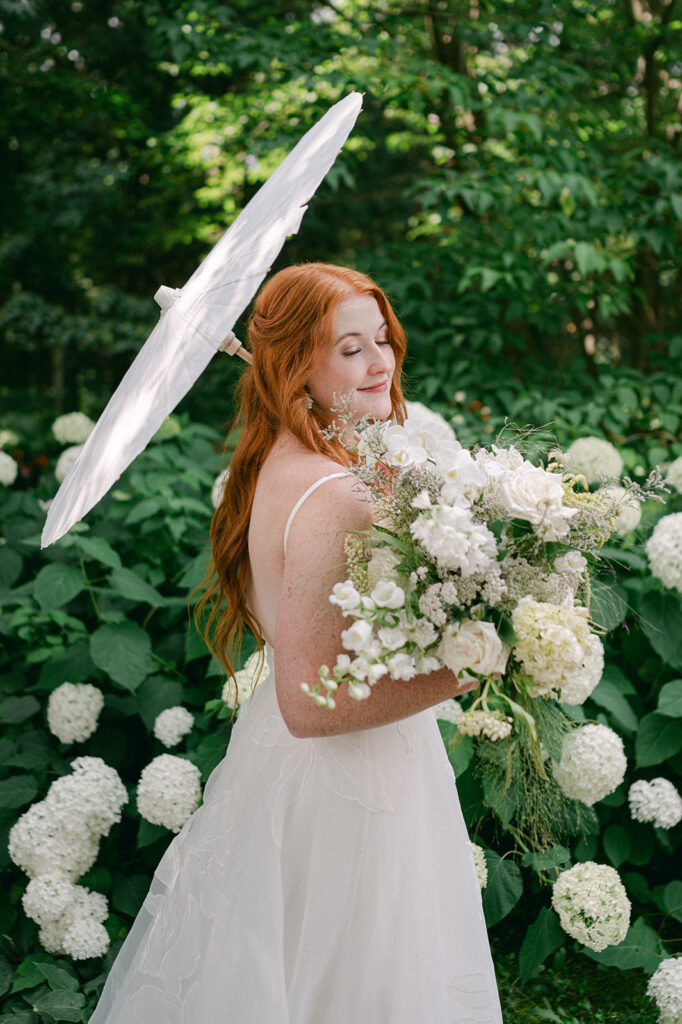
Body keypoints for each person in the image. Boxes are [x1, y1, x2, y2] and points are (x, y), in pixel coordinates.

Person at [89, 263, 503, 1023]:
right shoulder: (330, 495)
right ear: (294, 366)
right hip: (345, 786)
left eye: (381, 339)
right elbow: (311, 705)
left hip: (291, 768)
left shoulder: (288, 462)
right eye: (350, 349)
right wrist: (469, 667)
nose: (381, 362)